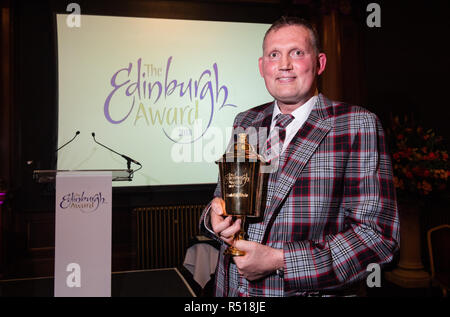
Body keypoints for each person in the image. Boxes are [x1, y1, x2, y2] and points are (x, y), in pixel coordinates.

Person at [200, 16, 399, 297]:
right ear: (262, 66)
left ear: (319, 63)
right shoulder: (246, 120)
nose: (284, 65)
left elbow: (378, 239)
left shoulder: (357, 124)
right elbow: (222, 197)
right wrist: (214, 219)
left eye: (297, 53)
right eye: (274, 55)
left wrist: (279, 261)